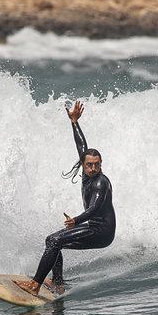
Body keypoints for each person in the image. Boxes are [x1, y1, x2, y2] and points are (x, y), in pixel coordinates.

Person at [14, 101, 116, 298]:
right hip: (94, 227)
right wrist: (74, 122)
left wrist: (76, 221)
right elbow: (82, 145)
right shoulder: (86, 170)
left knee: (54, 241)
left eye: (96, 165)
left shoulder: (100, 183)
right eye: (89, 165)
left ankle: (34, 286)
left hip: (102, 232)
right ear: (83, 164)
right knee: (52, 241)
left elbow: (94, 209)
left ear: (101, 164)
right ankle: (58, 284)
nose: (93, 168)